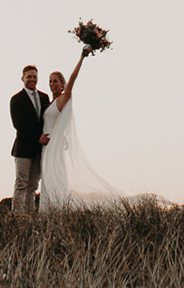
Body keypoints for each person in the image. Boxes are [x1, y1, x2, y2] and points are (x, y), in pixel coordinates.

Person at [39, 49, 127, 208]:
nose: (52, 84)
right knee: (46, 180)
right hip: (46, 146)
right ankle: (46, 214)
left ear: (62, 84)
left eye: (55, 81)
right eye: (50, 81)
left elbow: (73, 78)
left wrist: (82, 57)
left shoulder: (63, 99)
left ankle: (57, 210)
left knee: (55, 178)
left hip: (53, 145)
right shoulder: (50, 103)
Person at [9, 64, 49, 211]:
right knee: (21, 183)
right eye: (29, 77)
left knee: (33, 185)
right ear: (23, 78)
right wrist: (37, 137)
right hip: (23, 148)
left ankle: (30, 215)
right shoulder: (16, 99)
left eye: (34, 76)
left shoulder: (44, 97)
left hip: (39, 150)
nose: (32, 79)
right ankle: (18, 217)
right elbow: (19, 124)